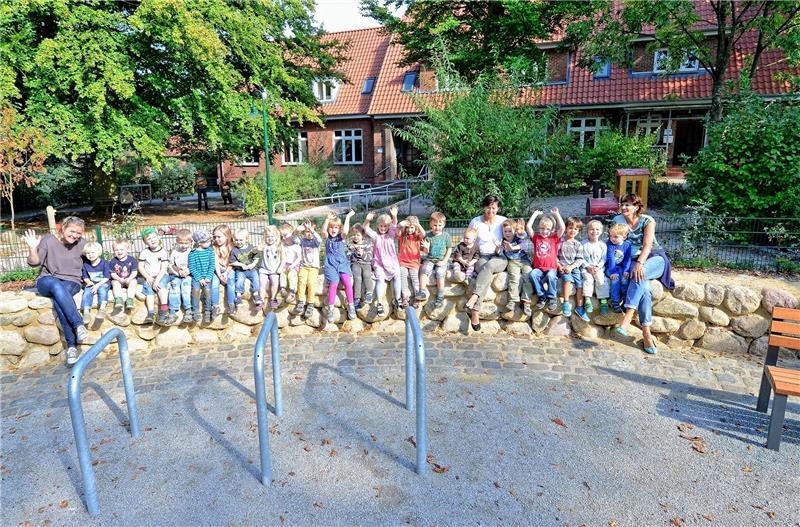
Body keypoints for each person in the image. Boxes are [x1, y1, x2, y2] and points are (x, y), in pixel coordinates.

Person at [613, 193, 675, 355]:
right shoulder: (618, 220)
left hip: (654, 258)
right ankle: (646, 333)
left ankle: (628, 316)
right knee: (644, 287)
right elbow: (615, 244)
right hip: (632, 260)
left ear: (636, 207)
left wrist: (640, 264)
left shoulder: (647, 220)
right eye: (622, 204)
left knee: (640, 273)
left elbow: (648, 245)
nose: (624, 207)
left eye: (628, 204)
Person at [23, 216, 90, 366]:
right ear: (63, 228)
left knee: (60, 300)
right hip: (48, 281)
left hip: (72, 281)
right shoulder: (48, 240)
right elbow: (34, 263)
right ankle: (78, 324)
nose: (75, 235)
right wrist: (32, 248)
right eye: (72, 231)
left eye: (79, 233)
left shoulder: (82, 244)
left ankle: (71, 347)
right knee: (56, 285)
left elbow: (94, 261)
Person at [464, 195, 507, 331]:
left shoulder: (503, 221)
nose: (491, 211)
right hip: (481, 256)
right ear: (484, 207)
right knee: (486, 270)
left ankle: (474, 300)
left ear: (498, 208)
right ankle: (475, 310)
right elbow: (468, 240)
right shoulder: (476, 222)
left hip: (499, 257)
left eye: (494, 208)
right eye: (488, 207)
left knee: (489, 266)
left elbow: (514, 236)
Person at [363, 206, 402, 317]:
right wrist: (367, 219)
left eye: (385, 226)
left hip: (392, 263)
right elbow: (366, 228)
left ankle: (397, 299)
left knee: (397, 276)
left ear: (388, 227)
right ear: (377, 226)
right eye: (381, 226)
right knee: (380, 279)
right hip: (379, 264)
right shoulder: (376, 236)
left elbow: (394, 224)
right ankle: (379, 303)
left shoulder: (391, 235)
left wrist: (394, 215)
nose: (383, 228)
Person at [321, 210, 357, 323]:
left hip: (342, 263)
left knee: (347, 282)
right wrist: (327, 219)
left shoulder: (341, 237)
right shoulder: (327, 238)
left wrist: (348, 217)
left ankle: (351, 305)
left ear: (339, 229)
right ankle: (330, 309)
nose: (333, 229)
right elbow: (323, 231)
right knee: (334, 283)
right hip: (330, 264)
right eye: (331, 227)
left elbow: (345, 231)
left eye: (336, 227)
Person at [526, 208, 564, 311]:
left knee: (551, 276)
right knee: (533, 274)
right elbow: (528, 227)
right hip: (539, 268)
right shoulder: (536, 238)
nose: (545, 231)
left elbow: (562, 228)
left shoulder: (554, 238)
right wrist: (535, 214)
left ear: (552, 230)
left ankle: (552, 297)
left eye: (548, 229)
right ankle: (542, 295)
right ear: (538, 228)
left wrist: (557, 214)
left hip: (551, 267)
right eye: (542, 228)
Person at [138, 228, 177, 326]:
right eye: (149, 239)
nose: (152, 240)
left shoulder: (163, 252)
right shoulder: (144, 252)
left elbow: (163, 268)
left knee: (160, 286)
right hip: (150, 276)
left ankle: (164, 310)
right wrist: (148, 277)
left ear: (158, 237)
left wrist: (157, 280)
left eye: (154, 237)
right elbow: (140, 267)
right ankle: (151, 313)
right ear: (145, 242)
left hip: (162, 275)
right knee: (149, 290)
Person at [418, 212, 452, 308]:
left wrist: (444, 261)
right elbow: (425, 251)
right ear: (430, 225)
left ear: (443, 225)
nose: (437, 227)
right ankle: (422, 291)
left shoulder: (446, 236)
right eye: (435, 225)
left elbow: (449, 249)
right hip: (430, 259)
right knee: (424, 269)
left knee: (440, 272)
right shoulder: (428, 235)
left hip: (441, 259)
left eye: (439, 225)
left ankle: (440, 296)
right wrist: (426, 247)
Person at [501, 219, 533, 316]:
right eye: (505, 231)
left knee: (528, 276)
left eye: (510, 231)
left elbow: (524, 244)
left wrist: (513, 247)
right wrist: (498, 249)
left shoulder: (517, 238)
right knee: (514, 278)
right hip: (513, 262)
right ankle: (512, 300)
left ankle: (526, 301)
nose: (507, 233)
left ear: (514, 231)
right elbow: (500, 252)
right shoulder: (502, 242)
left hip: (524, 260)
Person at [558, 216, 587, 321]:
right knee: (567, 280)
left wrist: (571, 267)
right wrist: (560, 266)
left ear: (578, 231)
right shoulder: (560, 242)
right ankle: (566, 303)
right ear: (566, 228)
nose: (573, 230)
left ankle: (580, 307)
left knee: (580, 285)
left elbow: (579, 259)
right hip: (563, 267)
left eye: (576, 229)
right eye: (570, 228)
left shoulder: (578, 244)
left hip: (574, 268)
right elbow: (554, 256)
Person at [581, 220, 610, 315]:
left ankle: (603, 300)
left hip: (598, 268)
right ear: (587, 231)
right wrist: (587, 266)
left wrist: (598, 267)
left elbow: (604, 258)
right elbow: (580, 257)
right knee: (588, 279)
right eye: (592, 229)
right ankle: (587, 299)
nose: (594, 231)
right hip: (586, 268)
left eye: (597, 229)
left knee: (601, 279)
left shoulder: (602, 245)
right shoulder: (583, 244)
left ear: (601, 231)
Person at [229, 228, 261, 314]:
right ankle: (238, 296)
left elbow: (256, 257)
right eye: (236, 240)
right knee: (239, 279)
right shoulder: (234, 250)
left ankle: (256, 294)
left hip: (252, 269)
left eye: (241, 240)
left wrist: (253, 264)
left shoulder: (251, 248)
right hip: (241, 270)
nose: (238, 242)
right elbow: (232, 262)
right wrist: (241, 265)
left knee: (256, 278)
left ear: (246, 239)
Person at [294, 220, 322, 318]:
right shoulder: (302, 241)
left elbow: (319, 239)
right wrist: (298, 229)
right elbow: (294, 237)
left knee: (311, 283)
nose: (309, 233)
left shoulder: (316, 242)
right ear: (303, 233)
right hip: (304, 267)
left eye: (311, 231)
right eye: (307, 231)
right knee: (301, 282)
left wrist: (310, 228)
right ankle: (300, 301)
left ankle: (310, 303)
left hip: (314, 267)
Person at [397, 215, 425, 307]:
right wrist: (400, 225)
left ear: (415, 228)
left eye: (412, 227)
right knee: (403, 275)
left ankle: (417, 297)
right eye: (407, 227)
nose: (409, 230)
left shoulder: (417, 236)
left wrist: (418, 225)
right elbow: (397, 231)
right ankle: (405, 297)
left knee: (414, 277)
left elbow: (424, 234)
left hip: (414, 263)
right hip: (403, 262)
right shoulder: (402, 236)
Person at [188, 229, 216, 323]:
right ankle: (195, 310)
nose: (209, 243)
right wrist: (199, 278)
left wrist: (208, 277)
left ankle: (207, 311)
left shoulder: (210, 251)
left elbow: (212, 265)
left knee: (207, 291)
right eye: (207, 242)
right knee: (195, 290)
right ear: (200, 243)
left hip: (207, 277)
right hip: (197, 277)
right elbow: (192, 267)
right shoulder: (193, 253)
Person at [80, 242, 111, 323]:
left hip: (103, 282)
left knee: (103, 289)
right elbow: (85, 277)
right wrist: (89, 282)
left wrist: (97, 286)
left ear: (98, 252)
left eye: (93, 252)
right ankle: (86, 311)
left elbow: (107, 277)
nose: (90, 255)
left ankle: (102, 308)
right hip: (92, 282)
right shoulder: (85, 265)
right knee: (87, 291)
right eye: (88, 253)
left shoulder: (105, 263)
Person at [167, 228, 193, 323]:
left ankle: (188, 310)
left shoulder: (191, 252)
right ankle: (173, 311)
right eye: (181, 243)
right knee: (174, 288)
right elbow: (171, 264)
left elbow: (193, 265)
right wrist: (178, 271)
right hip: (176, 275)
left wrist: (187, 271)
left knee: (186, 289)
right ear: (177, 242)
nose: (183, 245)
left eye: (186, 243)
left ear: (191, 242)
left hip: (187, 275)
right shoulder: (174, 252)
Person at [605, 223, 633, 313]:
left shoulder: (627, 245)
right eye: (611, 236)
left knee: (625, 280)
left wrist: (626, 270)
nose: (612, 238)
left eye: (615, 236)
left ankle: (625, 300)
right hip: (610, 268)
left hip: (621, 268)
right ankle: (615, 302)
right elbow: (611, 259)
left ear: (624, 237)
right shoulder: (609, 244)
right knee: (615, 280)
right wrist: (613, 272)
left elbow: (627, 259)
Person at [347, 224, 374, 310]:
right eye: (354, 235)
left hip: (366, 263)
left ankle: (369, 293)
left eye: (358, 235)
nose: (355, 237)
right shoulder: (351, 245)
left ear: (363, 235)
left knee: (367, 275)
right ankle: (357, 298)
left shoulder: (367, 244)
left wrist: (363, 254)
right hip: (355, 263)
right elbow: (348, 257)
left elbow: (370, 257)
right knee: (357, 278)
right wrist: (355, 253)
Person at [211, 225, 235, 317]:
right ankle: (215, 306)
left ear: (227, 236)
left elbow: (232, 262)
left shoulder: (232, 247)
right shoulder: (214, 248)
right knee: (214, 284)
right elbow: (215, 263)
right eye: (215, 237)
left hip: (229, 269)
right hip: (217, 270)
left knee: (231, 281)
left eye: (219, 237)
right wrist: (220, 276)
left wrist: (226, 272)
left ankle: (231, 304)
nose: (216, 239)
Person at [110, 239, 138, 313]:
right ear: (113, 251)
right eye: (116, 250)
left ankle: (130, 299)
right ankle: (118, 299)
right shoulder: (113, 261)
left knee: (134, 282)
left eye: (121, 249)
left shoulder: (132, 260)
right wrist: (118, 279)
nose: (119, 252)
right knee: (115, 283)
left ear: (127, 250)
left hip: (129, 279)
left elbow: (134, 272)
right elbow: (113, 273)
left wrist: (130, 278)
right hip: (118, 279)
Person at [258, 225, 281, 309]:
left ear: (276, 237)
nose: (270, 238)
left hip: (274, 270)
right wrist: (257, 249)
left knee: (275, 282)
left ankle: (273, 299)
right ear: (265, 237)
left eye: (272, 236)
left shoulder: (279, 246)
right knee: (262, 283)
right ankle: (261, 300)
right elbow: (255, 252)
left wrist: (280, 268)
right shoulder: (263, 246)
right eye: (268, 236)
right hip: (264, 270)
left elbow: (283, 259)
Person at [279, 223, 301, 305]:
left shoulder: (296, 246)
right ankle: (283, 289)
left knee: (291, 275)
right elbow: (283, 258)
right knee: (282, 274)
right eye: (282, 236)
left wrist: (293, 265)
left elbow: (299, 258)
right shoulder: (283, 246)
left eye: (285, 235)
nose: (283, 238)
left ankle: (292, 291)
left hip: (294, 265)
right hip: (285, 265)